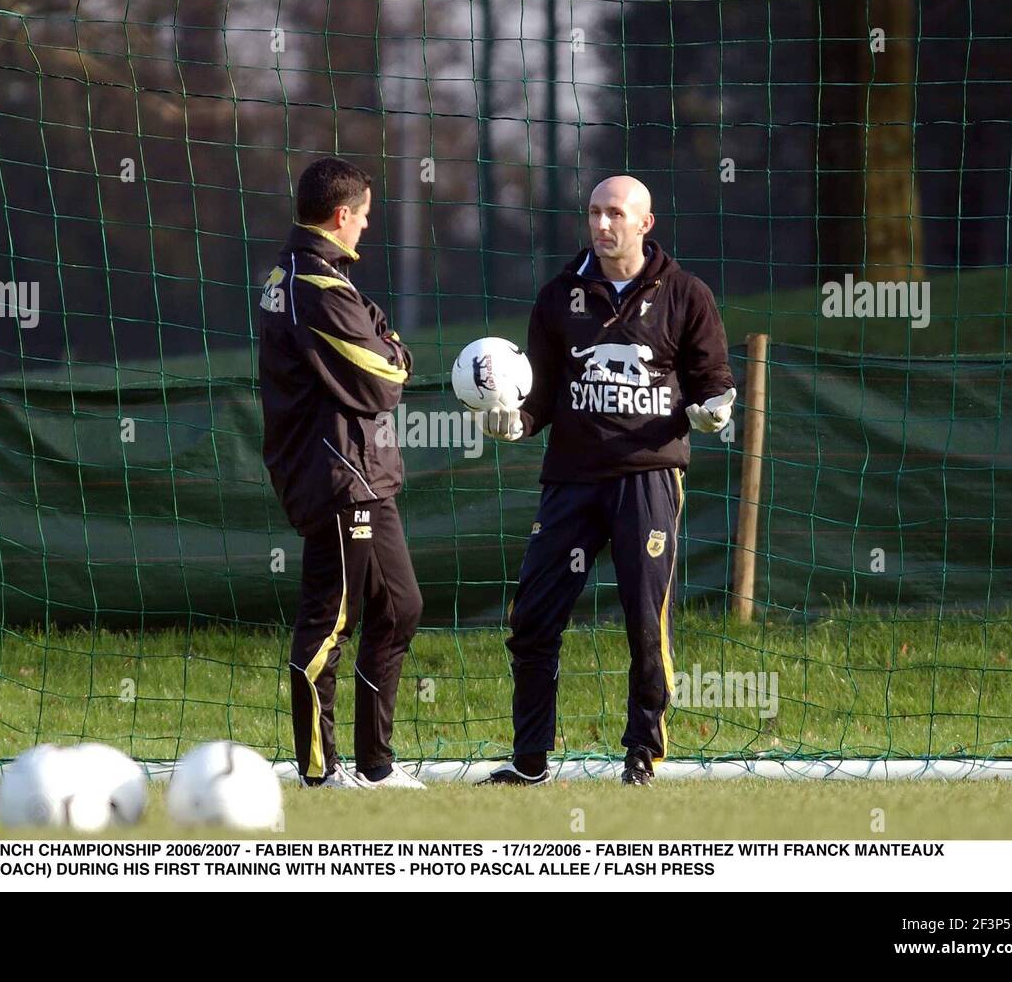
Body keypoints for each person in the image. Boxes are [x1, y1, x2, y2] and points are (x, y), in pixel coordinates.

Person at [478, 175, 736, 786]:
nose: (601, 224)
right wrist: (515, 423)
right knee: (533, 619)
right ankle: (530, 759)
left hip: (647, 479)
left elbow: (714, 381)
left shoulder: (686, 294)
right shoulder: (557, 296)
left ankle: (642, 756)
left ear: (646, 223)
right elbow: (537, 394)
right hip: (571, 480)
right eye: (594, 212)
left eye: (615, 213)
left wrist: (715, 408)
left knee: (646, 620)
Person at [258, 157, 425, 789]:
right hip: (338, 475)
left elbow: (379, 342)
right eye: (364, 218)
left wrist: (384, 340)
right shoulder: (316, 287)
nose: (365, 230)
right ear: (341, 215)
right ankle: (319, 773)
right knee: (330, 619)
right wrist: (393, 351)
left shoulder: (302, 275)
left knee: (400, 606)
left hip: (361, 475)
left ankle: (375, 767)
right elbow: (385, 375)